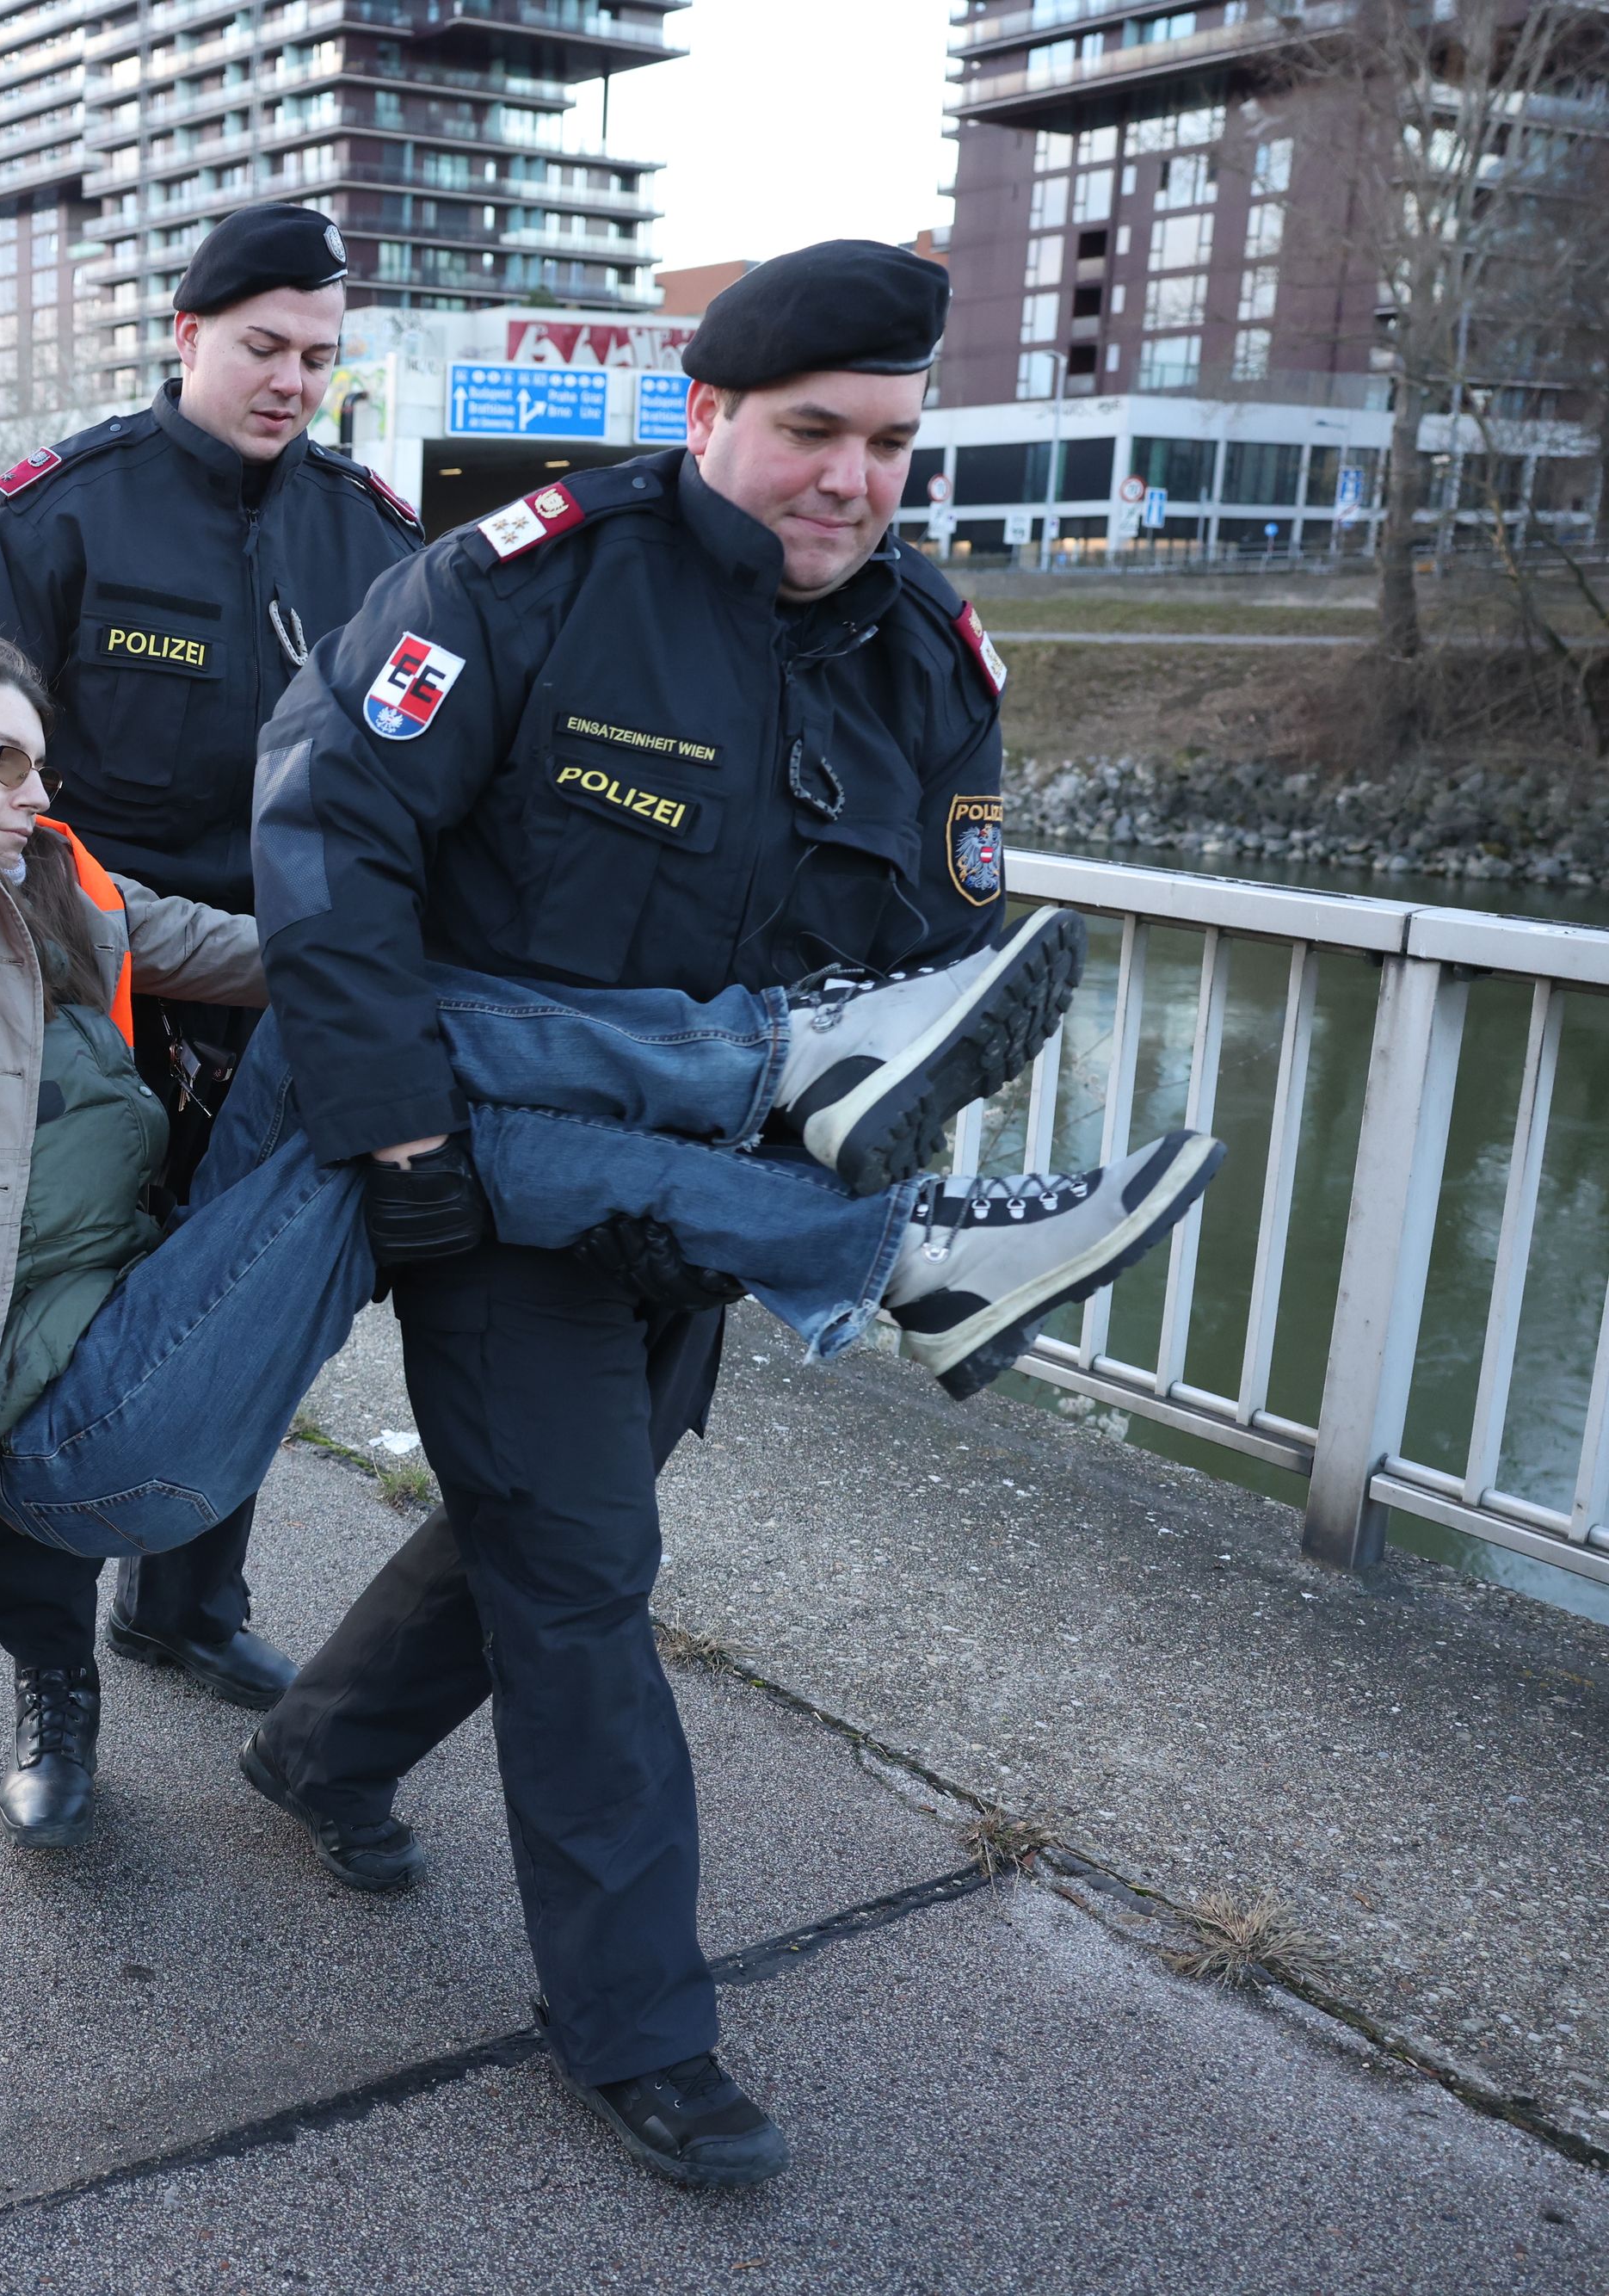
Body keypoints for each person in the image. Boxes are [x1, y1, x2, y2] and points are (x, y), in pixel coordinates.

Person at [0, 639, 1215, 1851]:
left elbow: (293, 956)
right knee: (372, 1118)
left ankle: (875, 1215)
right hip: (55, 1427)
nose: (35, 790)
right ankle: (815, 1118)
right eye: (0, 761)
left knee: (374, 1019)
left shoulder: (66, 888)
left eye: (43, 762)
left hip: (146, 1312)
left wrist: (443, 905)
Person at [237, 238, 1088, 2192]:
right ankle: (636, 2020)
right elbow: (328, 836)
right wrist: (396, 1147)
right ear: (705, 414)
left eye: (887, 442)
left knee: (552, 1510)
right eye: (810, 432)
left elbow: (916, 988)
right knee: (581, 1574)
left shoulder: (925, 654)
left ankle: (320, 1747)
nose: (850, 482)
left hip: (705, 1204)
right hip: (488, 1184)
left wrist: (779, 1184)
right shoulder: (514, 584)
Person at [0, 202, 423, 1764]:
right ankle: (51, 1685)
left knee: (246, 1311)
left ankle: (187, 1604)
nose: (291, 381)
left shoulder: (377, 535)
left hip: (284, 999)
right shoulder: (55, 515)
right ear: (187, 335)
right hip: (83, 1004)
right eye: (262, 346)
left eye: (319, 358)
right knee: (37, 1345)